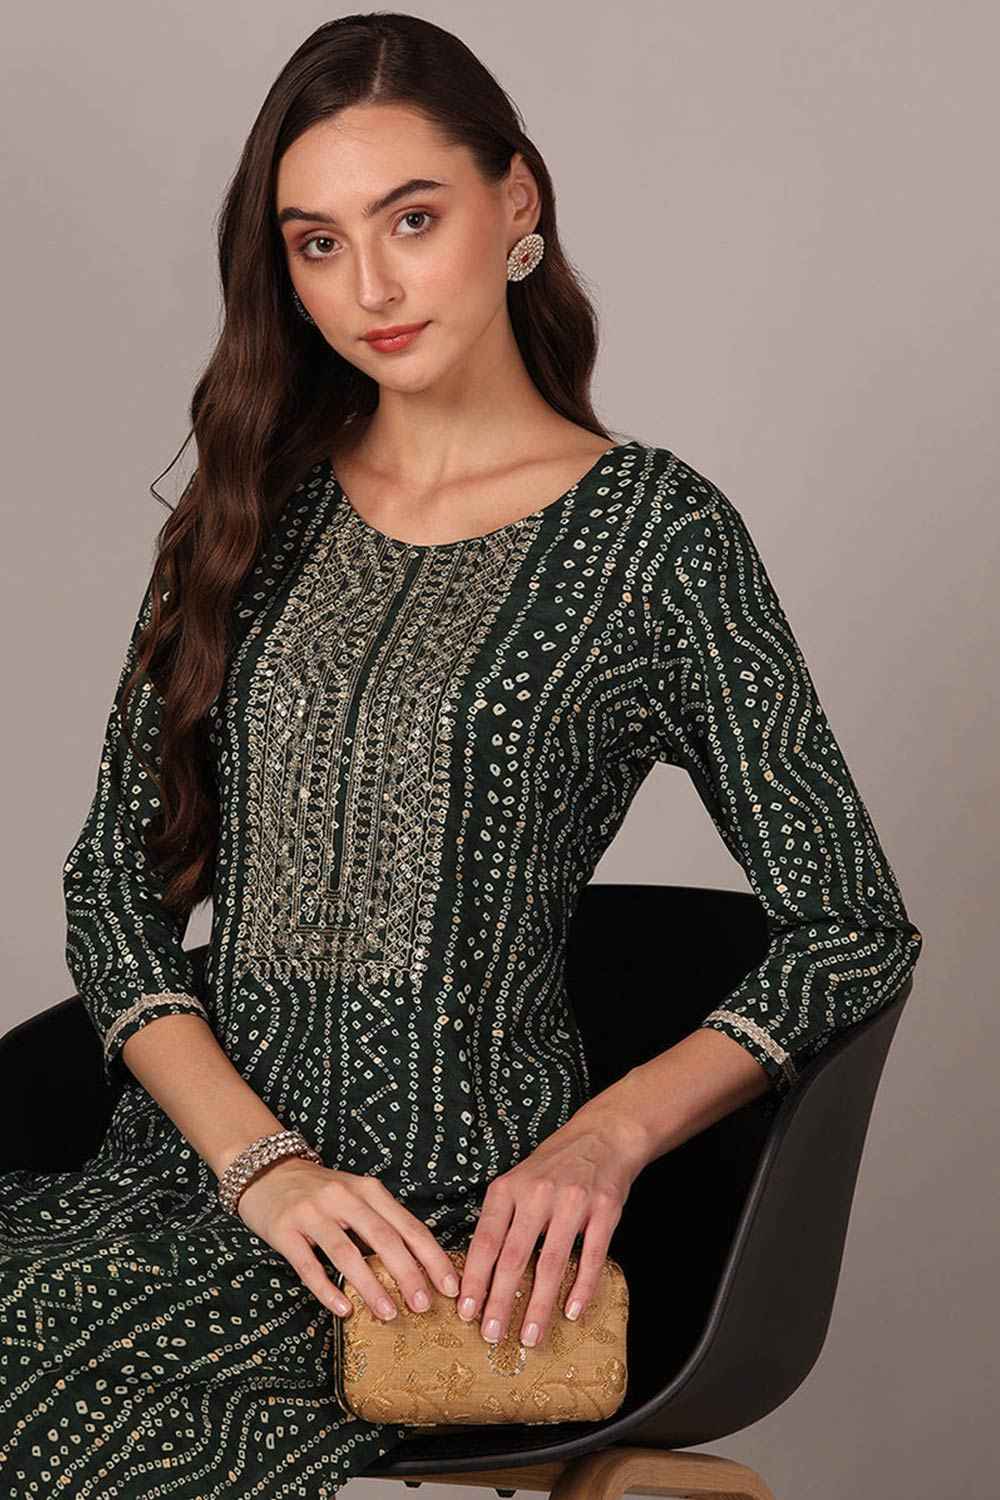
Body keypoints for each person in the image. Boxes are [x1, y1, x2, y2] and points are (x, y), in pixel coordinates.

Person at [0, 11, 923, 1496]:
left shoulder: (655, 540)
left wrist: (603, 1141)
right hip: (198, 1181)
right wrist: (261, 1168)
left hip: (442, 1225)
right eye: (317, 244)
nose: (368, 286)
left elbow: (853, 929)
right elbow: (114, 889)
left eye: (411, 219)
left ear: (517, 204)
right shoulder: (248, 513)